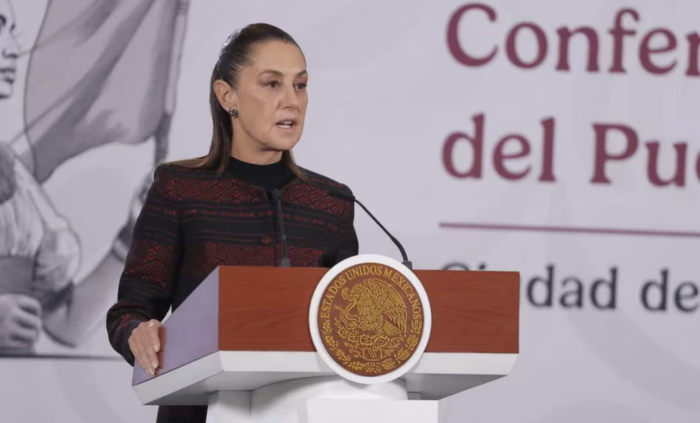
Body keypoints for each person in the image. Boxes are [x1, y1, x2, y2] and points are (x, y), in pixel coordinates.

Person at [105, 23, 359, 423]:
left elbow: (348, 324)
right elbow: (129, 310)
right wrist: (138, 331)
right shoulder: (179, 189)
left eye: (300, 85)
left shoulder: (331, 202)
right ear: (228, 96)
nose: (292, 101)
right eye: (272, 84)